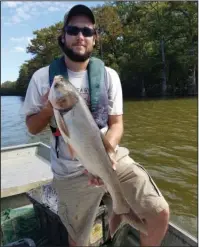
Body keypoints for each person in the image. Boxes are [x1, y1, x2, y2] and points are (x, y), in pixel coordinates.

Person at [23, 4, 170, 247]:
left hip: (109, 156)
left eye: (87, 31)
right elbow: (31, 127)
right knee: (78, 240)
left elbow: (117, 124)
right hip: (68, 170)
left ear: (94, 38)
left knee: (159, 212)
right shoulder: (42, 78)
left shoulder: (110, 75)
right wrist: (49, 108)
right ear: (63, 36)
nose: (80, 36)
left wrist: (108, 152)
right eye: (73, 29)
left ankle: (120, 207)